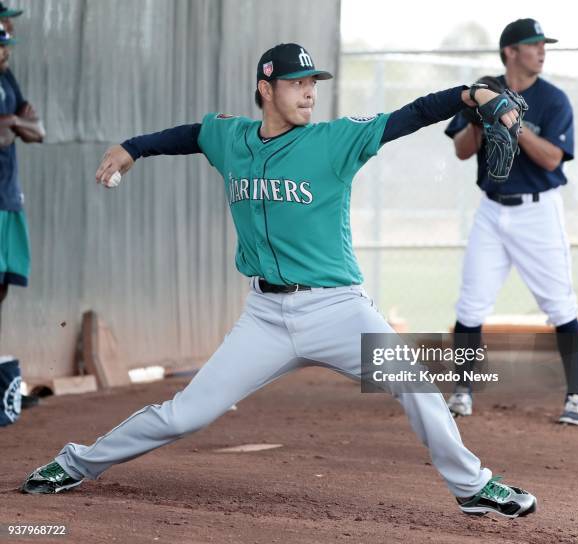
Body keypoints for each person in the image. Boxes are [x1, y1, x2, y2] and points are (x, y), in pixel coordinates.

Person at [22, 42, 536, 519]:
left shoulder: (335, 140)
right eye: (296, 82)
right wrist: (132, 148)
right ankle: (75, 464)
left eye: (313, 81)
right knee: (184, 415)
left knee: (416, 387)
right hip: (264, 318)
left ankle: (472, 487)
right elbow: (191, 135)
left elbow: (414, 114)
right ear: (266, 89)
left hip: (337, 309)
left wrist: (472, 94)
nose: (309, 91)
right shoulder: (232, 138)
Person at [444, 19, 578, 425]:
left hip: (538, 211)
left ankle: (575, 397)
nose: (542, 51)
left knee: (560, 304)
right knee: (470, 304)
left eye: (544, 44)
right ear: (511, 51)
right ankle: (462, 392)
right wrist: (479, 113)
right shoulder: (483, 88)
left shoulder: (554, 100)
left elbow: (551, 158)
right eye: (534, 44)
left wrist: (511, 120)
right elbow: (460, 151)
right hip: (491, 210)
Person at [0, 21, 45, 412]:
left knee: (3, 286)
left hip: (8, 198)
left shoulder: (8, 77)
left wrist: (14, 122)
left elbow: (39, 130)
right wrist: (17, 122)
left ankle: (1, 386)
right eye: (0, 46)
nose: (4, 53)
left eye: (7, 45)